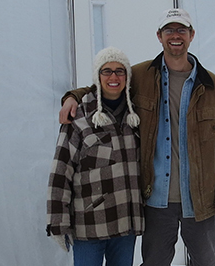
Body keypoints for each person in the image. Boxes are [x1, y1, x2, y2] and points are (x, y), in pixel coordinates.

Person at [59, 8, 215, 266]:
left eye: (181, 30)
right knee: (154, 262)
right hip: (156, 199)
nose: (175, 36)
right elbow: (107, 85)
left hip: (201, 200)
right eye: (169, 30)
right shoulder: (140, 76)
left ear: (191, 35)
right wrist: (72, 97)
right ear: (159, 36)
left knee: (205, 262)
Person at [47, 46, 145, 266]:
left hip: (125, 225)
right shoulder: (79, 116)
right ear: (97, 76)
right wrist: (58, 223)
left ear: (127, 77)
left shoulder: (135, 117)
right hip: (89, 225)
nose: (113, 77)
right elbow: (60, 172)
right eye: (106, 71)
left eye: (120, 71)